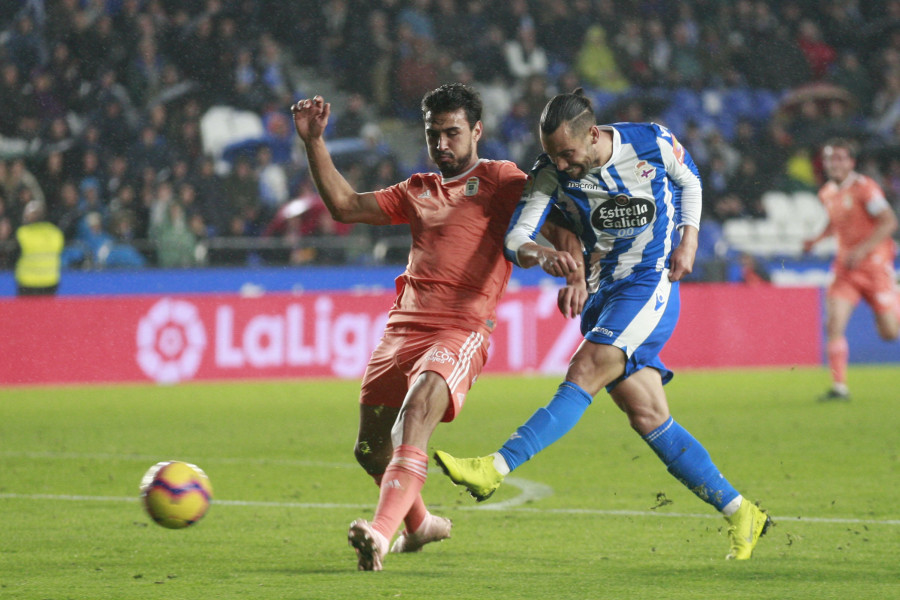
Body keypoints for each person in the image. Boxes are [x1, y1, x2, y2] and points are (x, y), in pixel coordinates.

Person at [434, 89, 773, 562]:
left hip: (649, 283)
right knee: (649, 416)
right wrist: (544, 255)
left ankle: (495, 465)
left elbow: (690, 178)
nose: (561, 163)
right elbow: (517, 237)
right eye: (552, 154)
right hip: (602, 293)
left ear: (592, 136)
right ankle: (742, 512)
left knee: (585, 370)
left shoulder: (652, 143)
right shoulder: (550, 171)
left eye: (567, 153)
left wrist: (689, 239)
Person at [290, 84, 571, 571]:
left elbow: (555, 224)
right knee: (369, 450)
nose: (442, 145)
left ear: (477, 132)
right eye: (433, 134)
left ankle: (379, 534)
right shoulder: (417, 189)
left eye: (453, 133)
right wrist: (314, 141)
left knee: (414, 418)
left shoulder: (503, 180)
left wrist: (563, 262)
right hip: (401, 331)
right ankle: (420, 525)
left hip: (460, 329)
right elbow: (344, 206)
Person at [802, 138, 900, 401]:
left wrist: (862, 250)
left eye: (840, 158)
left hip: (875, 267)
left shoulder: (865, 188)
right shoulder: (827, 193)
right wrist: (816, 239)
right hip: (845, 268)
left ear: (851, 162)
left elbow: (889, 222)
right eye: (830, 158)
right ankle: (839, 387)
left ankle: (896, 297)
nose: (834, 163)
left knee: (890, 333)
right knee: (834, 324)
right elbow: (836, 222)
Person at [13, 199, 65, 296]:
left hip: (27, 283)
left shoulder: (23, 233)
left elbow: (13, 255)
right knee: (47, 311)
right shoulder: (55, 232)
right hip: (50, 282)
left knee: (26, 311)